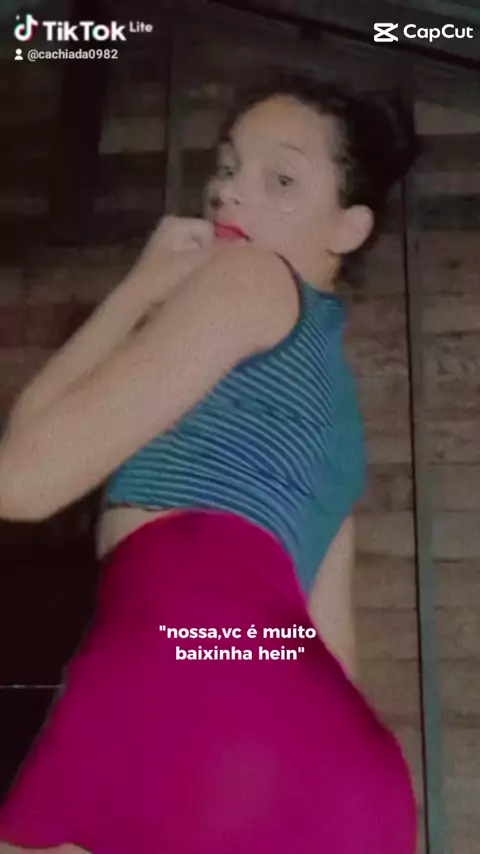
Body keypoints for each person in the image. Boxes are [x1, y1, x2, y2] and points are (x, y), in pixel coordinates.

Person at [0, 70, 420, 854]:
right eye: (227, 167)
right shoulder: (341, 425)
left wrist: (136, 291)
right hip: (346, 778)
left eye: (280, 179)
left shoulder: (248, 277)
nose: (229, 193)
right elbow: (323, 650)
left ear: (348, 227)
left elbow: (19, 479)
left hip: (188, 698)